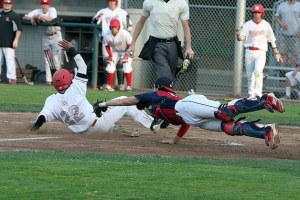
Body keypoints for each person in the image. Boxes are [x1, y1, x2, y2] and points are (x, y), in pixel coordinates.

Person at [94, 76, 285, 149]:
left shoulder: (156, 94)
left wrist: (104, 105)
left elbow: (125, 100)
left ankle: (265, 100)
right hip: (190, 118)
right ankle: (266, 131)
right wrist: (174, 140)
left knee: (225, 113)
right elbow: (184, 123)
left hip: (188, 105)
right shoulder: (159, 100)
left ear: (158, 87)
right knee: (228, 127)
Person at [31, 39, 159, 134]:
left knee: (97, 109)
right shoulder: (76, 88)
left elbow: (42, 118)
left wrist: (32, 130)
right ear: (69, 80)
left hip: (82, 134)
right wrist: (71, 49)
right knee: (125, 100)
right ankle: (151, 124)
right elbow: (82, 67)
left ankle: (111, 128)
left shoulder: (51, 101)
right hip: (98, 125)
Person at [128, 0, 194, 82]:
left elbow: (186, 27)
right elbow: (141, 23)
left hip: (173, 44)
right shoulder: (149, 2)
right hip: (156, 45)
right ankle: (162, 90)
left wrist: (188, 47)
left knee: (172, 77)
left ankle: (161, 92)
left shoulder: (181, 3)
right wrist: (133, 44)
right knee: (165, 77)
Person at [236, 4, 283, 99]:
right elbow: (241, 39)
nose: (256, 14)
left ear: (262, 13)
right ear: (252, 13)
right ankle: (251, 94)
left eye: (258, 12)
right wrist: (238, 34)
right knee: (250, 74)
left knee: (258, 71)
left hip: (261, 52)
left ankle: (258, 92)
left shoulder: (266, 24)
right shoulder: (247, 24)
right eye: (254, 12)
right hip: (249, 51)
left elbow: (271, 39)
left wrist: (276, 52)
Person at [92, 0, 132, 91]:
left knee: (122, 64)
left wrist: (123, 36)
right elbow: (94, 22)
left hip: (120, 39)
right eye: (110, 1)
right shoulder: (103, 11)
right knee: (108, 62)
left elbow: (129, 26)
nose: (111, 2)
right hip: (108, 40)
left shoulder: (122, 12)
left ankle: (121, 84)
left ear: (116, 2)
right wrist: (98, 17)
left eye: (113, 1)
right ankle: (109, 84)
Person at [23, 0, 62, 85]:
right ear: (41, 4)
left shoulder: (52, 10)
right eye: (43, 4)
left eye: (46, 4)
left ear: (49, 4)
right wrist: (33, 18)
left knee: (56, 59)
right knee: (48, 59)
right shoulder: (37, 11)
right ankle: (49, 80)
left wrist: (41, 17)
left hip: (56, 35)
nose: (44, 5)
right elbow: (24, 17)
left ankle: (58, 80)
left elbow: (52, 19)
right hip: (46, 36)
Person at [102, 19, 133, 92]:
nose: (113, 29)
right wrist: (110, 55)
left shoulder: (125, 34)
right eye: (112, 27)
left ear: (119, 27)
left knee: (127, 66)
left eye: (115, 27)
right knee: (110, 65)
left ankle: (128, 86)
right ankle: (110, 86)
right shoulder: (107, 34)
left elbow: (130, 46)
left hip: (126, 50)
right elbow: (106, 46)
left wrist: (126, 56)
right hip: (115, 51)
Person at [0, 0, 22, 84]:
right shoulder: (0, 14)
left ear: (11, 4)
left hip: (9, 42)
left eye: (8, 3)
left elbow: (19, 29)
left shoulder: (14, 15)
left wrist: (16, 40)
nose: (6, 5)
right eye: (5, 3)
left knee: (10, 60)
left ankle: (12, 78)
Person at [275, 0, 300, 68]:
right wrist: (281, 23)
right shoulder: (282, 5)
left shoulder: (298, 5)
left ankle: (292, 71)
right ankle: (282, 71)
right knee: (283, 53)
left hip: (296, 34)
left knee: (294, 54)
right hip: (284, 34)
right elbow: (276, 16)